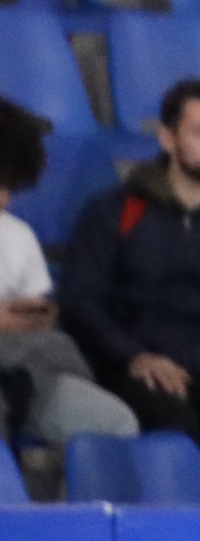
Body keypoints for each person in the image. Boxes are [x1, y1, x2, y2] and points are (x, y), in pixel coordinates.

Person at [63, 79, 200, 448]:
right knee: (172, 422)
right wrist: (134, 357)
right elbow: (80, 301)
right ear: (167, 138)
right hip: (136, 369)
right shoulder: (115, 211)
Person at [0, 98, 145, 455]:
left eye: (10, 186)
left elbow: (36, 325)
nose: (4, 199)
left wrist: (34, 318)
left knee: (115, 422)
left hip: (21, 371)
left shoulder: (18, 237)